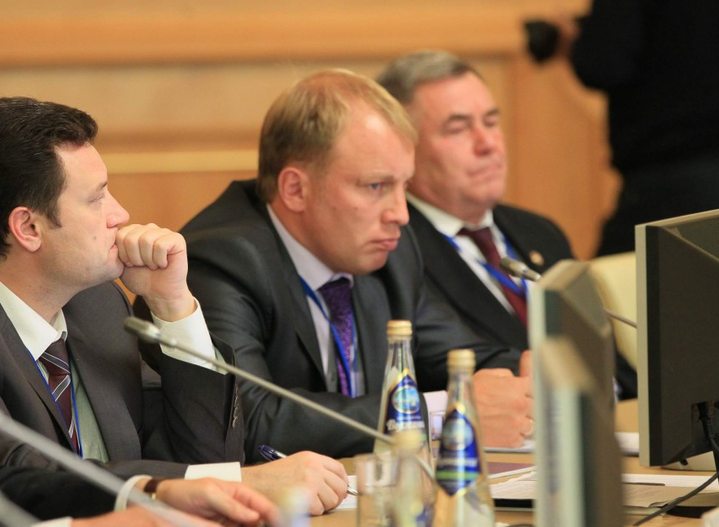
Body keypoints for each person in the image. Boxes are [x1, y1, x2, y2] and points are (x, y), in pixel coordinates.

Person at [0, 97, 347, 515]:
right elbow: (23, 481)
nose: (120, 214)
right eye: (97, 199)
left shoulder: (96, 306)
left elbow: (202, 457)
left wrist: (172, 304)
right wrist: (237, 483)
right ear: (28, 228)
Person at [173, 69, 530, 459]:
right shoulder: (222, 261)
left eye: (403, 186)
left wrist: (534, 373)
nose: (400, 214)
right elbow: (251, 421)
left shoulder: (390, 254)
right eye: (376, 186)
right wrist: (440, 412)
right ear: (295, 189)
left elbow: (460, 358)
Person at [375, 50, 636, 399]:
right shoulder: (395, 249)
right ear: (404, 149)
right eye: (458, 129)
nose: (488, 144)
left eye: (491, 121)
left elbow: (609, 362)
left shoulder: (539, 232)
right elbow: (454, 367)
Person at [554, 0, 719, 256]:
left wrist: (574, 42)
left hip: (670, 174)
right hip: (697, 167)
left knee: (609, 282)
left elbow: (604, 65)